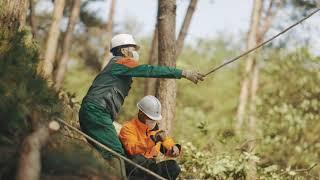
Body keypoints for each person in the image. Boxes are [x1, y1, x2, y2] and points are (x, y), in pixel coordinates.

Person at [79, 33, 204, 159]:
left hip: (95, 112)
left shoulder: (117, 66)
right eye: (132, 49)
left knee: (107, 154)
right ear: (123, 50)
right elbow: (150, 70)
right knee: (117, 155)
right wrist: (183, 73)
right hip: (96, 112)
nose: (134, 52)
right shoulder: (121, 62)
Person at [119, 95, 181, 179]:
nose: (153, 121)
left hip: (151, 168)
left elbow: (167, 144)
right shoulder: (128, 128)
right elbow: (132, 149)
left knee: (173, 167)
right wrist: (153, 140)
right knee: (139, 158)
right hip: (134, 167)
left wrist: (174, 148)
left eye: (154, 119)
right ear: (141, 112)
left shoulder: (156, 132)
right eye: (150, 118)